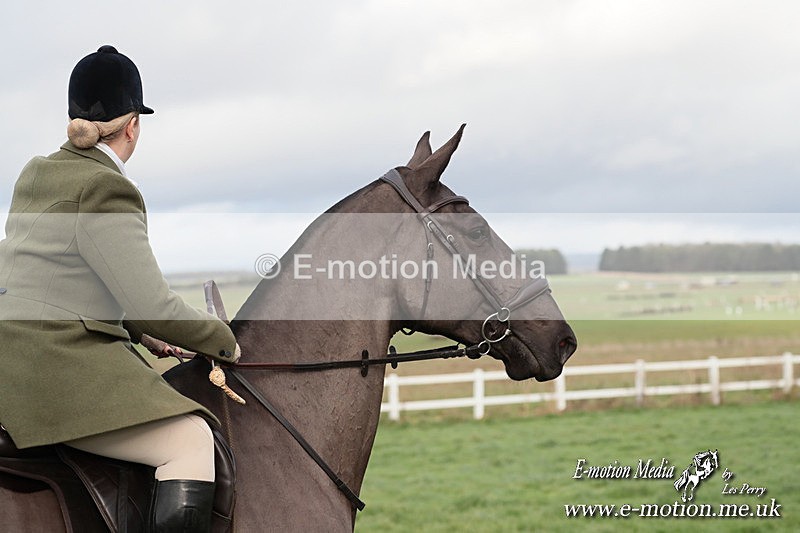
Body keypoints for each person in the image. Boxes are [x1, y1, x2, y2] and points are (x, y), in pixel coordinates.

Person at [0, 45, 240, 532]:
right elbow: (152, 304)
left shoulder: (37, 171)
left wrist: (138, 333)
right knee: (190, 442)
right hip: (52, 370)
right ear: (133, 125)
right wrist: (224, 340)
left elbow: (52, 276)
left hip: (9, 357)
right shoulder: (109, 188)